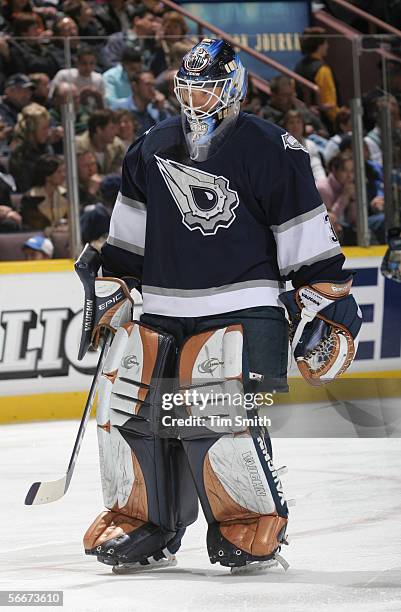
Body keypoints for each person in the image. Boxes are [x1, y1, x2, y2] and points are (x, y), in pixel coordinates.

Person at [81, 39, 361, 575]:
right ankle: (144, 518)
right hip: (161, 306)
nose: (197, 99)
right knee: (132, 416)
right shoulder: (150, 145)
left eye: (207, 88)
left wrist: (326, 302)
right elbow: (126, 240)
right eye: (188, 88)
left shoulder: (273, 148)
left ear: (233, 86)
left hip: (242, 304)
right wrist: (113, 282)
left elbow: (305, 238)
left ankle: (247, 519)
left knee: (218, 417)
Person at [295, 27, 340, 132]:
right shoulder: (322, 69)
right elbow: (330, 105)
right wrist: (340, 121)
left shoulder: (298, 66)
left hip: (307, 120)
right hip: (325, 125)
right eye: (325, 43)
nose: (327, 46)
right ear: (320, 45)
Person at [110, 70, 175, 135]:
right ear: (134, 87)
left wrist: (161, 111)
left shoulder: (155, 109)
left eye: (153, 85)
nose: (152, 89)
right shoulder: (119, 108)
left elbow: (166, 133)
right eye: (147, 84)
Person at [260, 75, 326, 136]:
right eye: (284, 95)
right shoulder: (265, 115)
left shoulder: (300, 109)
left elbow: (323, 132)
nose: (290, 99)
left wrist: (315, 133)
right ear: (274, 95)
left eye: (291, 94)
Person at [9, 102, 53, 192]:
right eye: (44, 128)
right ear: (32, 130)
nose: (48, 133)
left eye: (48, 127)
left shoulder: (47, 149)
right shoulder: (19, 156)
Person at [20, 154, 69, 231]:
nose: (64, 175)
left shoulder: (67, 195)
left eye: (64, 171)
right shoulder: (30, 198)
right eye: (59, 172)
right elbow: (31, 225)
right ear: (47, 175)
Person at [75, 109, 125, 175]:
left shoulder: (118, 146)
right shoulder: (78, 147)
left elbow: (116, 173)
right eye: (112, 128)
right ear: (99, 129)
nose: (116, 132)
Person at [282, 109, 326, 182]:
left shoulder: (310, 145)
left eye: (298, 122)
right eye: (291, 122)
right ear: (285, 126)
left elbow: (316, 168)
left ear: (303, 125)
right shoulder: (281, 146)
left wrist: (322, 184)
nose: (295, 126)